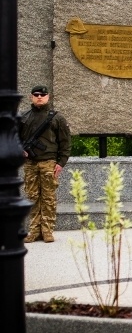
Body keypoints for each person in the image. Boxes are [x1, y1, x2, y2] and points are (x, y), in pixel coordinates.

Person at [20, 85, 72, 243]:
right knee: (32, 196)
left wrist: (61, 163)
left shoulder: (57, 118)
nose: (39, 97)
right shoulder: (23, 117)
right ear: (31, 97)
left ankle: (47, 230)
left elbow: (65, 142)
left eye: (42, 94)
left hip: (49, 163)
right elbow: (14, 138)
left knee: (49, 197)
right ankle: (34, 230)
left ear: (48, 97)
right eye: (36, 95)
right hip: (30, 163)